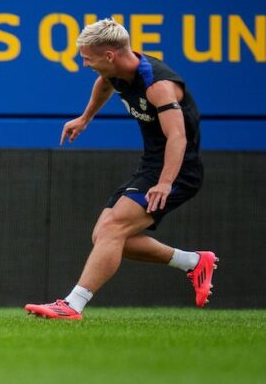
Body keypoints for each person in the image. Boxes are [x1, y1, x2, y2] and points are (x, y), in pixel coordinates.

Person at [25, 19, 217, 321]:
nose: (84, 63)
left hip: (178, 170)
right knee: (104, 235)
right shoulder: (116, 72)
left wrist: (166, 183)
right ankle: (192, 262)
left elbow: (177, 137)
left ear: (110, 55)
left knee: (112, 230)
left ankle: (72, 305)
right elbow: (105, 83)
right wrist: (85, 118)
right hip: (152, 164)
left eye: (88, 57)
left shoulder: (158, 86)